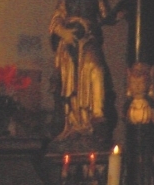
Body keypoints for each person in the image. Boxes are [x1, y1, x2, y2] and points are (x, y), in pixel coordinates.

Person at [49, 0, 121, 140]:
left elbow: (106, 15)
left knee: (96, 68)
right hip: (69, 41)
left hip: (89, 38)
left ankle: (97, 116)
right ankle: (74, 122)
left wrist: (120, 13)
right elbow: (57, 18)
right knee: (71, 81)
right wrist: (63, 32)